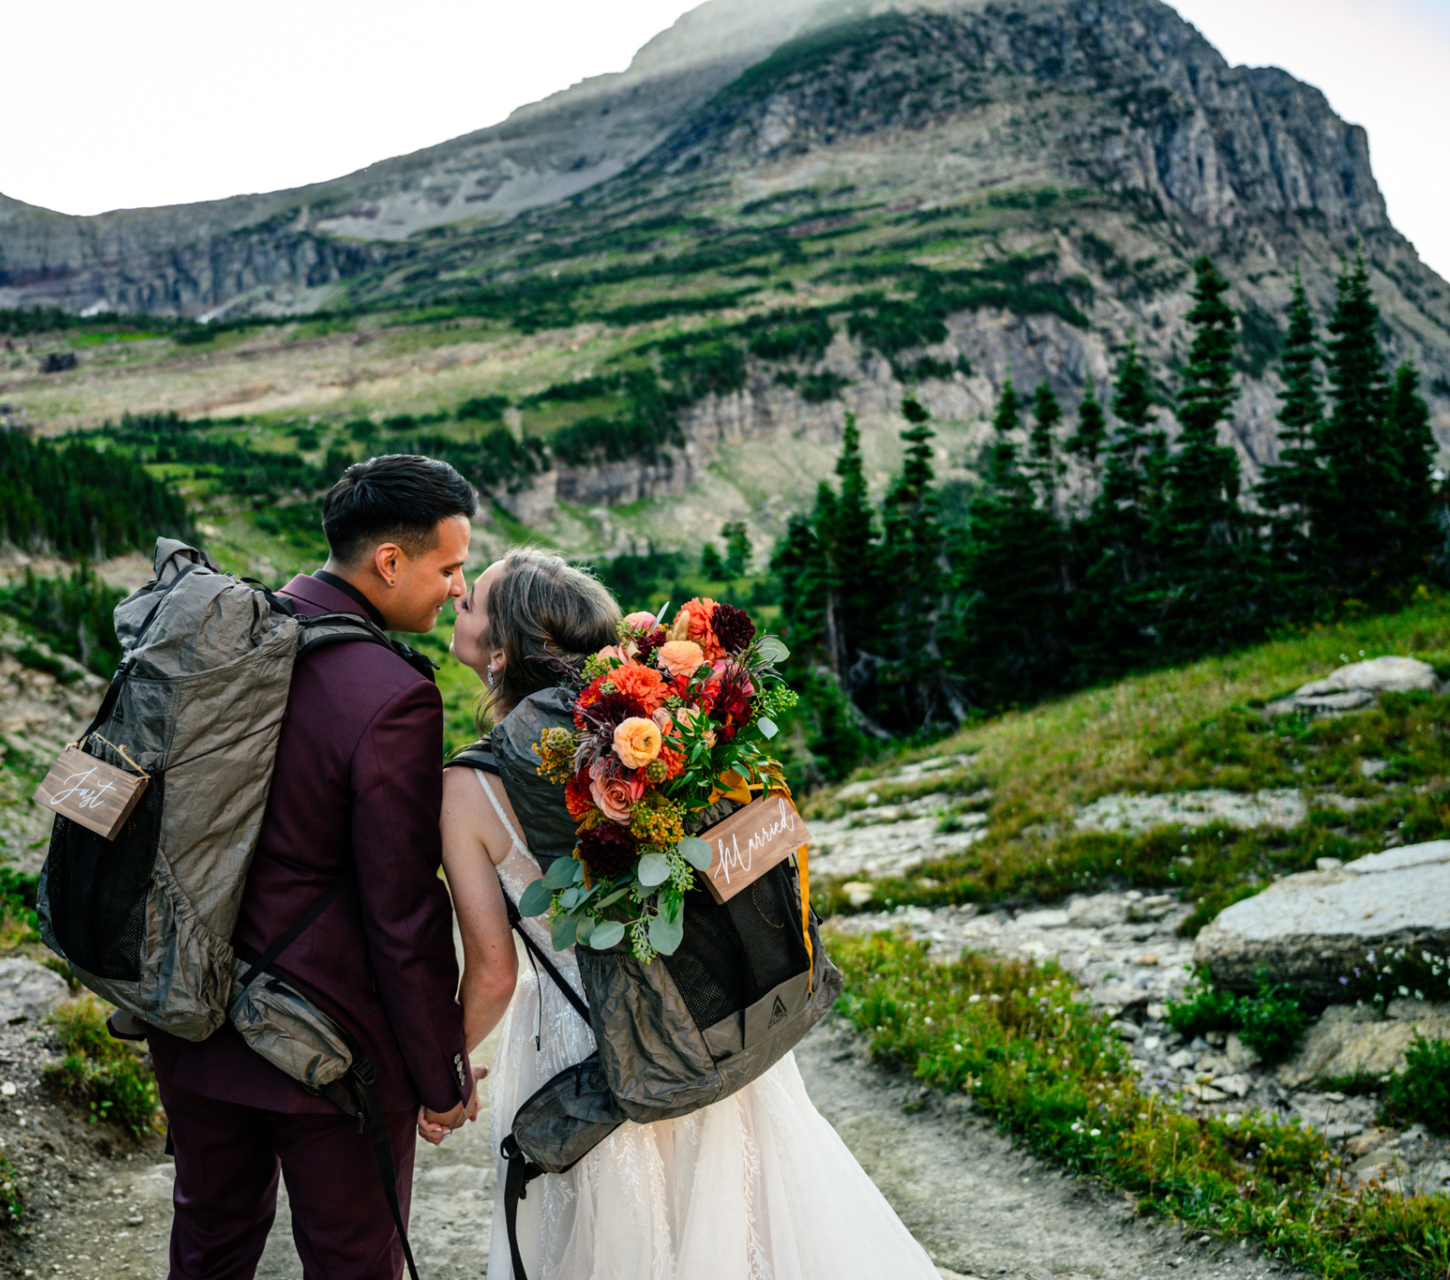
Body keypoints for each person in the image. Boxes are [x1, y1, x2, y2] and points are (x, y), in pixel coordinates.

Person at [435, 548, 945, 1280]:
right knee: (739, 1226)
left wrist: (443, 1067)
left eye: (469, 603)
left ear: (503, 652)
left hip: (587, 1050)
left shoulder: (470, 784)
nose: (456, 602)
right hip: (703, 1015)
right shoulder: (669, 728)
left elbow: (490, 972)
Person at [146, 454, 485, 1280]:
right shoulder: (390, 692)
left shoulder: (220, 641)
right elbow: (401, 916)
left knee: (208, 1248)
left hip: (188, 1016)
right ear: (391, 561)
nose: (459, 590)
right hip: (328, 1052)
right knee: (352, 1263)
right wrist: (440, 1075)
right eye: (449, 567)